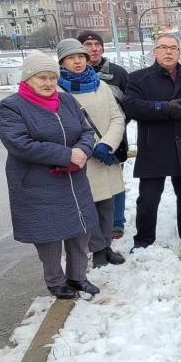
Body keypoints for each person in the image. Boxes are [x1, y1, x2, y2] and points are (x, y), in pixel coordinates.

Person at [0, 51, 101, 299]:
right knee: (49, 234)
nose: (48, 83)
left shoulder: (67, 101)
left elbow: (86, 132)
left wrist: (81, 152)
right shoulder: (12, 106)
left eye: (52, 78)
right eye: (41, 78)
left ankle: (78, 276)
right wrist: (66, 155)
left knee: (80, 228)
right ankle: (55, 280)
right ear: (27, 79)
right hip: (36, 183)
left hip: (73, 179)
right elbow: (19, 143)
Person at [124, 34, 181, 253]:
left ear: (179, 52)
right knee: (148, 198)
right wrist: (164, 108)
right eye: (163, 47)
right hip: (154, 147)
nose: (168, 52)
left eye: (173, 48)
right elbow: (132, 107)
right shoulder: (138, 78)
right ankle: (144, 239)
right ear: (154, 52)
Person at [56, 39, 127, 268]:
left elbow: (117, 117)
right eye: (71, 58)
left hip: (105, 155)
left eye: (81, 57)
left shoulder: (100, 85)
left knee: (107, 204)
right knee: (88, 206)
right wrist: (89, 147)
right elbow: (60, 126)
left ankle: (106, 246)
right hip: (81, 158)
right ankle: (97, 249)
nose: (77, 62)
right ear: (62, 62)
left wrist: (107, 144)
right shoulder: (58, 90)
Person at [78, 30, 130, 239]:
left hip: (114, 138)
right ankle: (94, 225)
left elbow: (129, 106)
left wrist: (112, 135)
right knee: (89, 183)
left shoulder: (118, 73)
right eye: (88, 44)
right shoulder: (69, 76)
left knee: (114, 180)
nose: (94, 48)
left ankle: (116, 223)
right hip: (83, 142)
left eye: (97, 44)